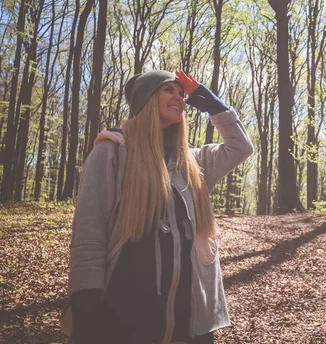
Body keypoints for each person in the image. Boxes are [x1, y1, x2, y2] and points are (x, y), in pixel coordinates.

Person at [67, 70, 253, 344]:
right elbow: (89, 235)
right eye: (169, 90)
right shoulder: (112, 153)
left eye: (182, 94)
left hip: (189, 323)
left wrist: (210, 101)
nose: (180, 97)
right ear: (147, 101)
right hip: (125, 319)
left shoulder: (193, 162)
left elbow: (241, 147)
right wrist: (86, 308)